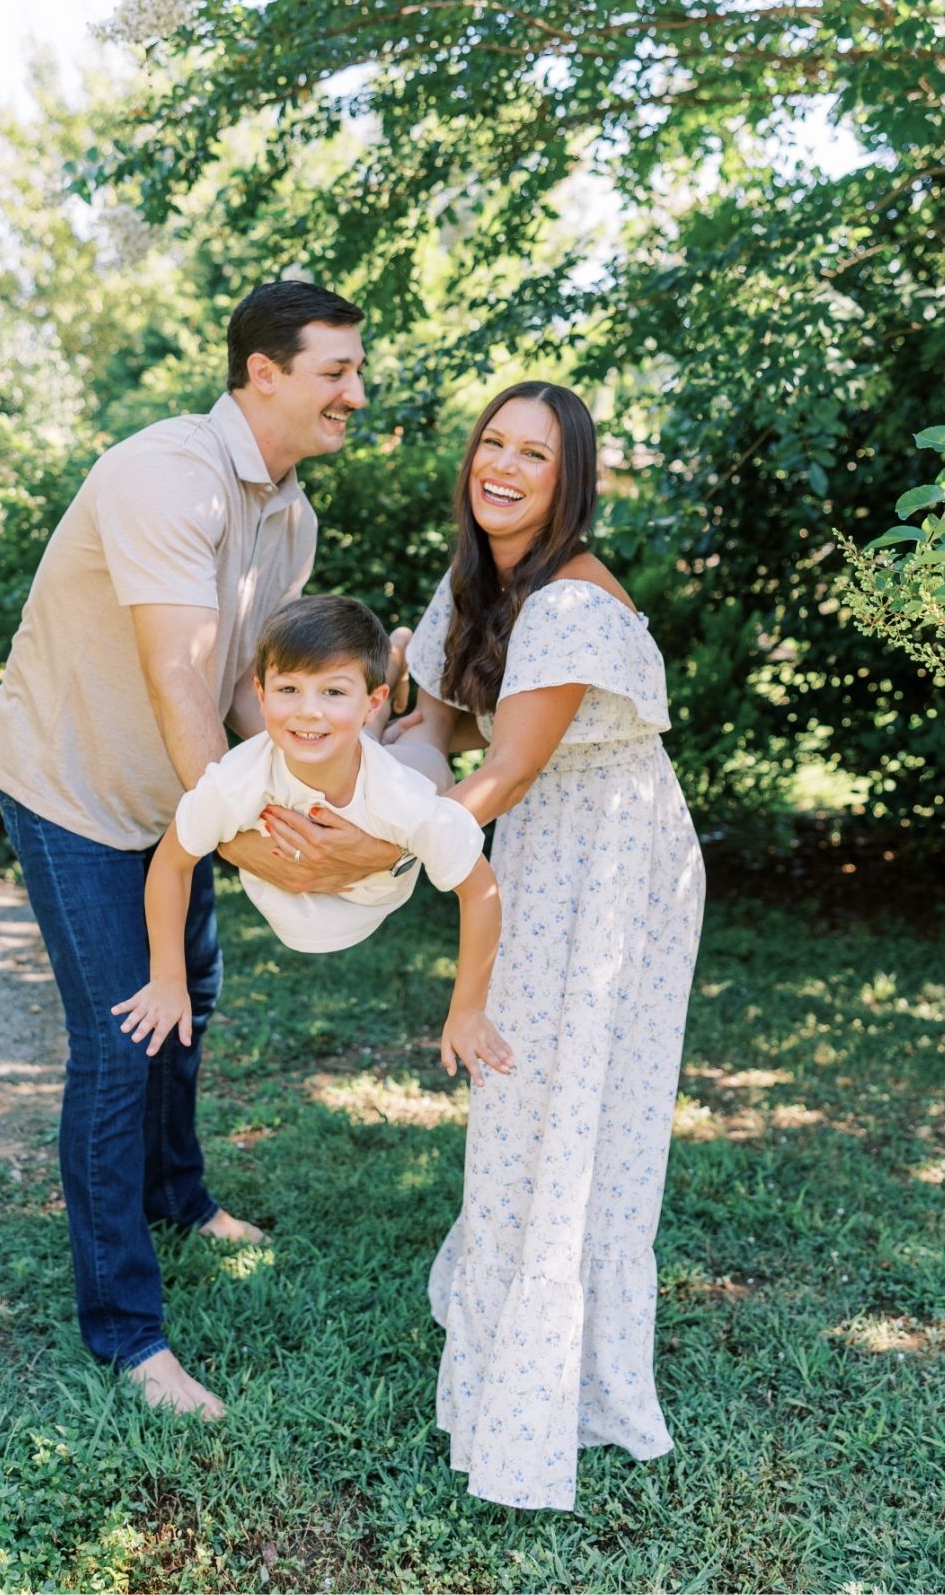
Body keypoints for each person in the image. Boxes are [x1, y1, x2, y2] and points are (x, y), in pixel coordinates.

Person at [0, 280, 412, 1420]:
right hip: (74, 787)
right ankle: (127, 1334)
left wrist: (326, 809)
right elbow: (180, 679)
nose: (356, 393)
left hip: (175, 795)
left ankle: (178, 1194)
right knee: (125, 1041)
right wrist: (254, 845)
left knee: (195, 993)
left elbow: (245, 694)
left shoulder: (291, 515)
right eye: (336, 371)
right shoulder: (167, 475)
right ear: (261, 372)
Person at [380, 380, 706, 1511]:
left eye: (535, 454)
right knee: (527, 1102)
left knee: (567, 1103)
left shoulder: (566, 604)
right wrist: (360, 802)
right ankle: (516, 1333)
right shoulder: (476, 577)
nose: (503, 467)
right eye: (491, 442)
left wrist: (375, 855)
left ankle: (560, 1377)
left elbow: (504, 768)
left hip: (613, 859)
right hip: (546, 841)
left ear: (570, 482)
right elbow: (431, 733)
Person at [111, 595, 512, 1091]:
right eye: (288, 688)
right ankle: (391, 656)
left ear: (370, 701)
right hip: (324, 831)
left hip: (386, 846)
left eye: (332, 692)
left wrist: (468, 1010)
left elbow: (480, 890)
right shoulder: (236, 781)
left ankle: (404, 660)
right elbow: (171, 864)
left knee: (424, 744)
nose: (307, 710)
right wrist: (168, 977)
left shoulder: (404, 797)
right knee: (346, 737)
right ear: (260, 695)